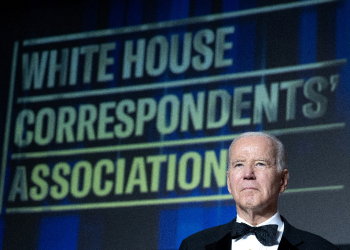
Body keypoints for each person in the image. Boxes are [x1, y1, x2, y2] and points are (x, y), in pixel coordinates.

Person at [179, 131, 338, 250]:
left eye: (260, 164)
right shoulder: (193, 246)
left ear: (283, 180)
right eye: (239, 164)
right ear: (229, 182)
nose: (248, 174)